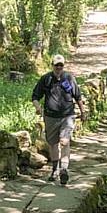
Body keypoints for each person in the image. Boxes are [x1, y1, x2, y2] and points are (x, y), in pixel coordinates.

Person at [32, 54, 85, 185]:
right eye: (57, 65)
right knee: (53, 143)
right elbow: (35, 96)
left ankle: (64, 169)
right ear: (52, 66)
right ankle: (55, 170)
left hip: (67, 116)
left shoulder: (69, 78)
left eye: (61, 65)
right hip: (50, 117)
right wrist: (38, 107)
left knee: (64, 141)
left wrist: (83, 111)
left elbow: (77, 96)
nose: (59, 67)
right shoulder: (46, 79)